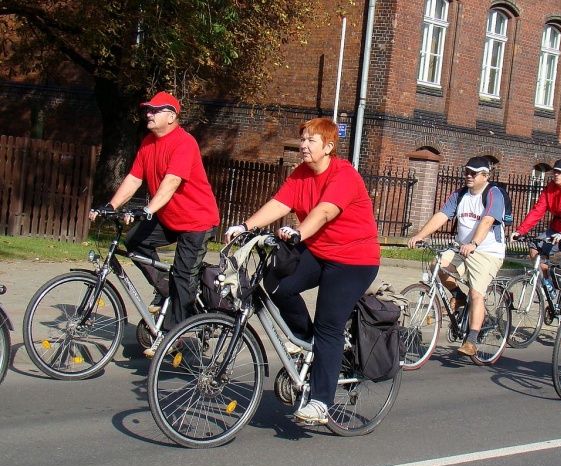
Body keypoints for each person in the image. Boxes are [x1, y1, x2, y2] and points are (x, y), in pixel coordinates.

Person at [225, 117, 380, 425]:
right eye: (303, 139)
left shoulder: (344, 176)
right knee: (275, 282)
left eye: (311, 140)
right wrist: (245, 226)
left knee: (329, 324)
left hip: (354, 260)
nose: (304, 145)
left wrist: (299, 232)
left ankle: (321, 401)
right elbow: (280, 203)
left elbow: (324, 211)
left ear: (329, 147)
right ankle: (307, 345)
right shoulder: (301, 174)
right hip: (319, 251)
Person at [89, 91, 219, 356]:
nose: (148, 114)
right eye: (147, 109)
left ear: (171, 116)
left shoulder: (184, 143)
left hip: (197, 221)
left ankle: (174, 335)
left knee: (184, 275)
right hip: (169, 217)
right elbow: (134, 178)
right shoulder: (148, 142)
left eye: (154, 110)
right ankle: (165, 289)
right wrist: (111, 205)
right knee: (134, 241)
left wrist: (147, 209)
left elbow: (171, 182)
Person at [407, 156, 506, 357]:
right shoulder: (460, 194)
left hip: (487, 251)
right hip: (462, 247)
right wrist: (419, 235)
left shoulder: (494, 194)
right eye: (466, 171)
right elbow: (442, 215)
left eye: (474, 172)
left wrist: (474, 244)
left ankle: (471, 340)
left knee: (477, 294)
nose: (468, 175)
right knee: (437, 265)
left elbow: (487, 221)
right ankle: (457, 296)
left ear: (485, 175)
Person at [509, 158, 561, 314]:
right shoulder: (550, 188)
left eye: (560, 172)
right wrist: (521, 231)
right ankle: (548, 284)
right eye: (555, 172)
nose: (556, 175)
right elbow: (538, 210)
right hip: (557, 229)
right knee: (534, 248)